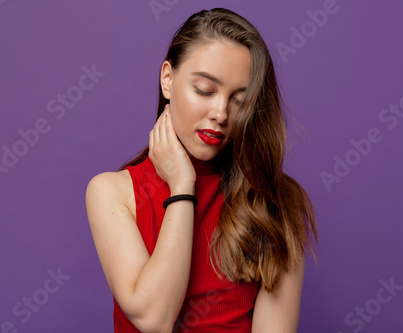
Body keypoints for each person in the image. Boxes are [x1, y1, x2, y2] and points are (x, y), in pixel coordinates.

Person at [86, 7, 318, 333]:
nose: (221, 113)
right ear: (168, 79)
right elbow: (153, 319)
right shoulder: (112, 192)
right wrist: (183, 184)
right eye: (205, 90)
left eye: (239, 99)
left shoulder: (274, 202)